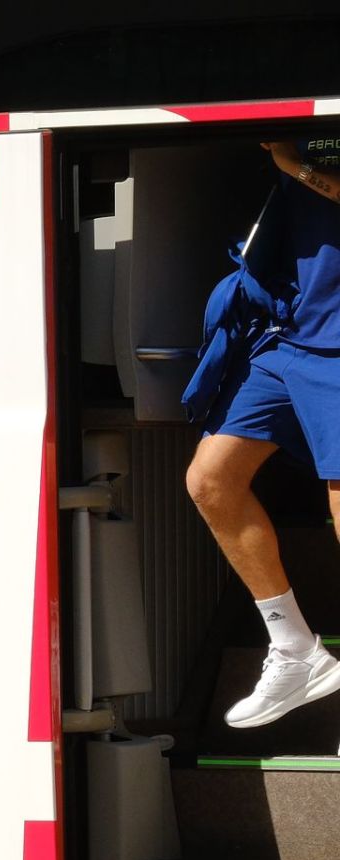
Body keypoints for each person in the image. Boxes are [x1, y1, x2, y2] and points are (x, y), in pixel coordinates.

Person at [186, 137, 340, 730]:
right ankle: (298, 650)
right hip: (290, 335)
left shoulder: (303, 143)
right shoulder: (299, 121)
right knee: (211, 479)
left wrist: (296, 166)